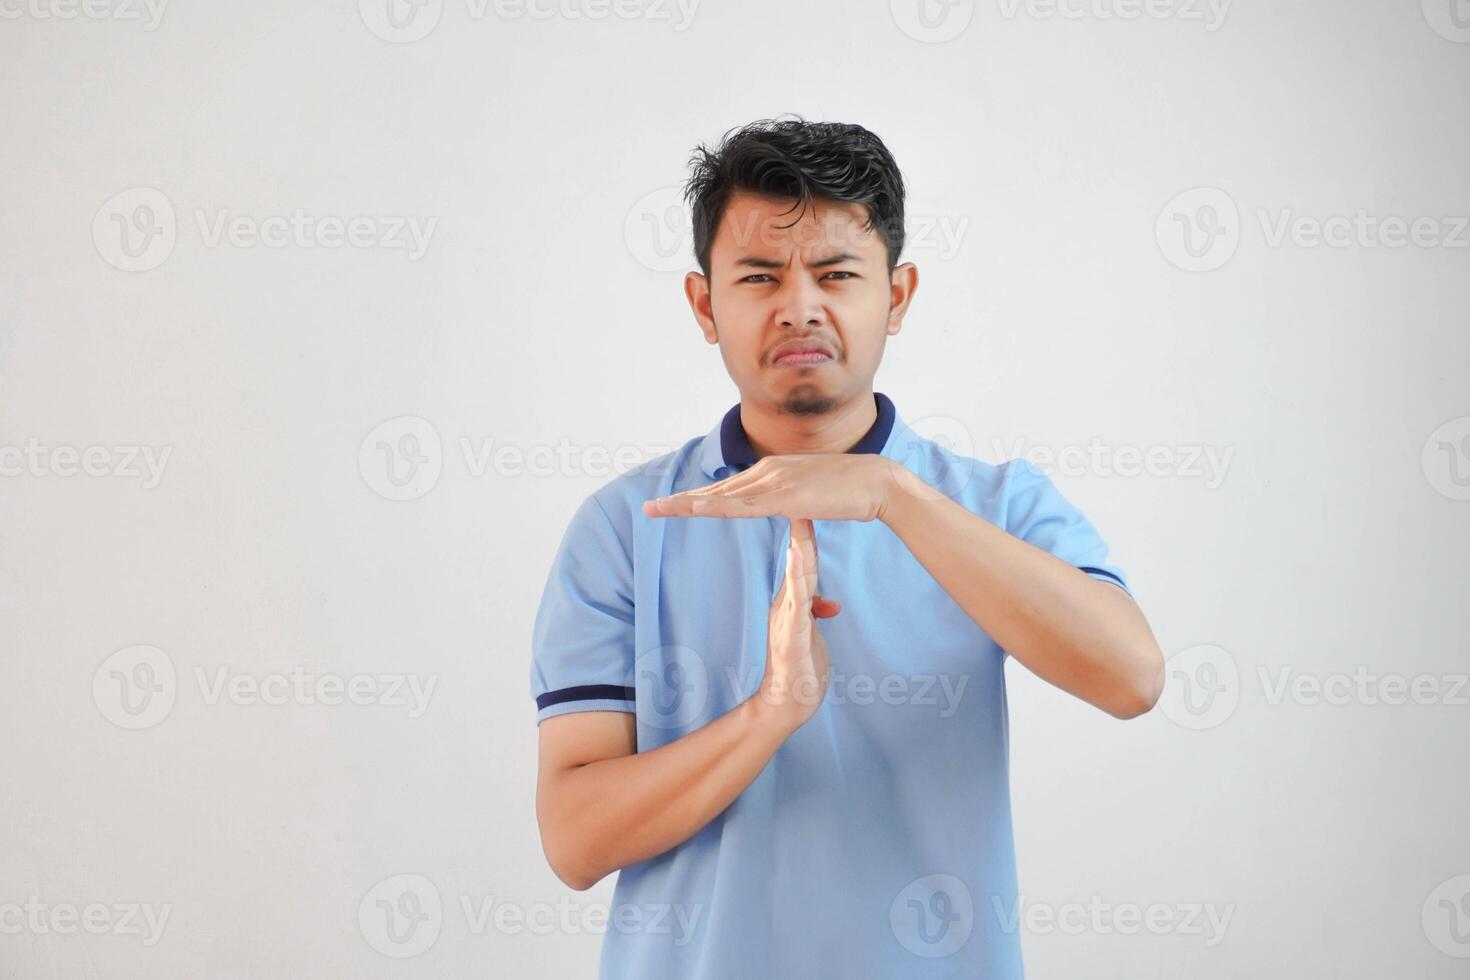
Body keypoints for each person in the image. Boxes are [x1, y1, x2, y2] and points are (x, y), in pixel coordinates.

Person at [529, 116, 1165, 979]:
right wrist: (772, 712)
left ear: (897, 298)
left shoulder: (993, 504)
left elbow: (1132, 677)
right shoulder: (628, 525)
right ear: (704, 305)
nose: (800, 307)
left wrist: (889, 493)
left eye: (836, 274)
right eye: (759, 276)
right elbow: (574, 838)